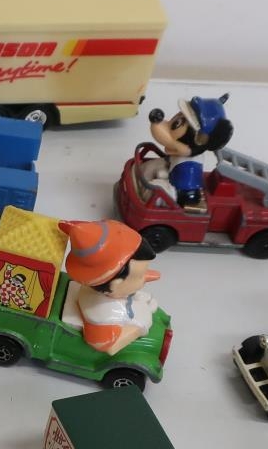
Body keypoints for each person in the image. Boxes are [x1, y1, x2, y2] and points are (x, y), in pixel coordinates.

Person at [59, 219, 162, 355]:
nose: (149, 276)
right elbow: (107, 346)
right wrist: (139, 326)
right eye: (139, 276)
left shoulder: (111, 290)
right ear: (115, 285)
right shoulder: (101, 317)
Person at [146, 94, 233, 213]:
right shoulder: (182, 155)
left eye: (176, 124)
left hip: (177, 192)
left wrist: (168, 183)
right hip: (172, 174)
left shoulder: (188, 167)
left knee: (155, 189)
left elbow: (188, 194)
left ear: (199, 140)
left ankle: (147, 198)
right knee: (153, 165)